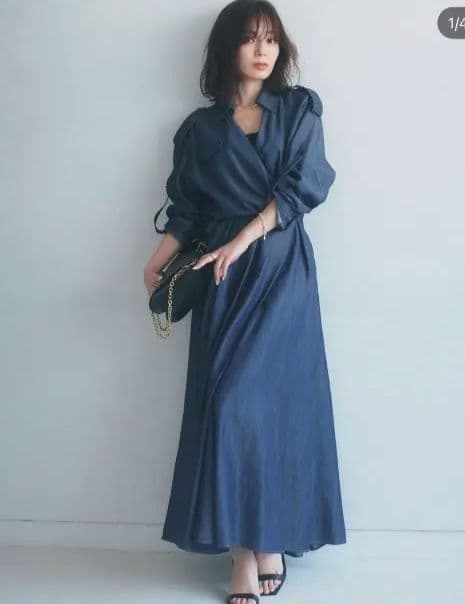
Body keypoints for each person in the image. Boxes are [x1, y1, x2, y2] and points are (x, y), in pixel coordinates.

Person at [144, 1, 346, 602]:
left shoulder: (300, 109)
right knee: (227, 409)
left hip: (280, 270)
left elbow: (307, 184)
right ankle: (243, 552)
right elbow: (187, 206)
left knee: (275, 409)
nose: (262, 50)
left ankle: (270, 539)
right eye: (250, 39)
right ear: (226, 47)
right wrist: (158, 259)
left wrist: (244, 237)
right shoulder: (199, 130)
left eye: (271, 39)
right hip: (223, 278)